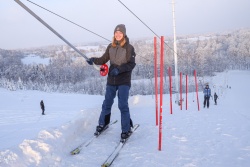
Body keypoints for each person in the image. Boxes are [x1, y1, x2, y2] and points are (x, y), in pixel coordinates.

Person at [86, 24, 136, 141]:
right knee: (107, 103)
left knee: (122, 105)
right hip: (112, 79)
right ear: (114, 34)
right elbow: (103, 59)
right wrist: (93, 60)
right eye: (116, 33)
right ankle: (103, 123)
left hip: (123, 79)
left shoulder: (129, 48)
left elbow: (131, 64)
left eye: (120, 33)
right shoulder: (110, 46)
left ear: (124, 34)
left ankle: (126, 129)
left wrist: (119, 69)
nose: (118, 35)